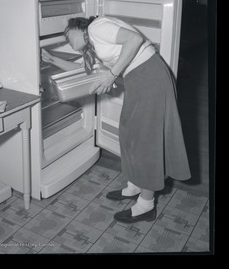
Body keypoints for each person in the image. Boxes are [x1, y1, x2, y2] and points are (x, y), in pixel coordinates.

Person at [42, 16, 191, 224]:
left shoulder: (97, 27)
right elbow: (84, 72)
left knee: (145, 140)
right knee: (129, 133)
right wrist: (52, 60)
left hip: (150, 77)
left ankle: (146, 205)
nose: (69, 43)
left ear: (78, 28)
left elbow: (134, 39)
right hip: (139, 80)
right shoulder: (94, 45)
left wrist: (112, 74)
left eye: (68, 36)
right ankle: (136, 185)